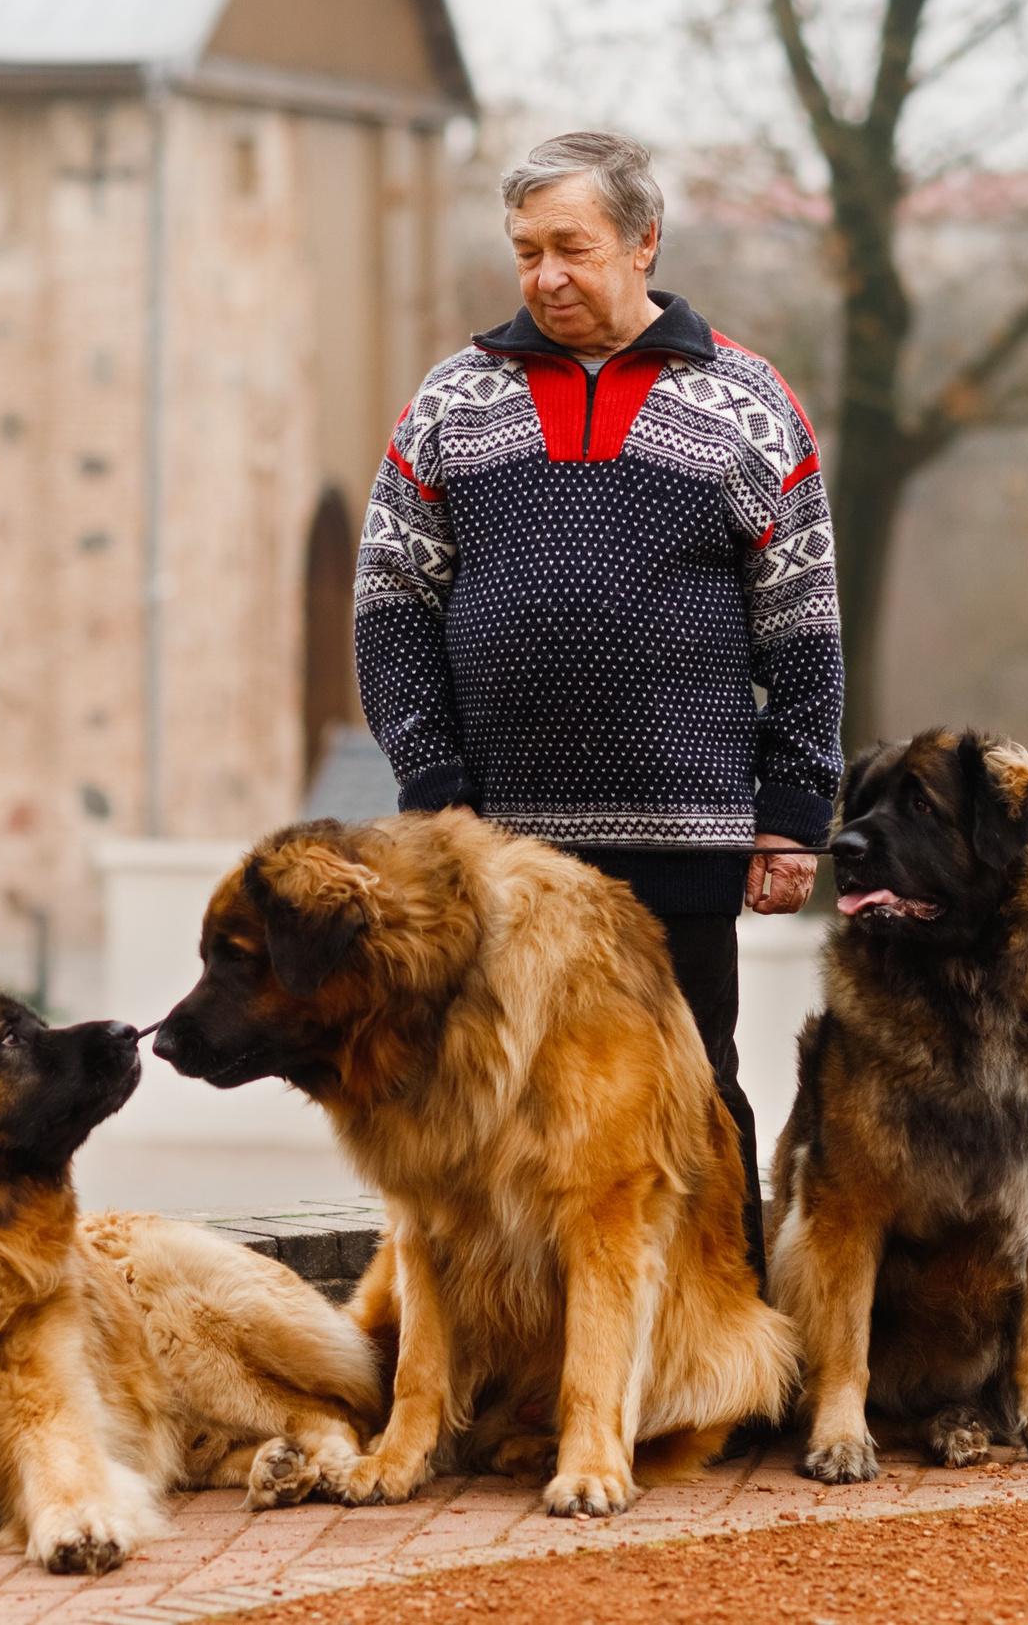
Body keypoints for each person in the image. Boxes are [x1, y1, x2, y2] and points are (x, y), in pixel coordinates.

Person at [354, 129, 844, 1286]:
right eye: (526, 252)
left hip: (683, 833)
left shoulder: (746, 399)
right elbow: (388, 600)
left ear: (641, 243)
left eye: (570, 247)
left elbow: (805, 619)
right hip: (500, 850)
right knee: (496, 1101)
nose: (546, 276)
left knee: (694, 1089)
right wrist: (433, 789)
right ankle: (516, 1357)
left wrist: (793, 809)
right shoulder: (452, 399)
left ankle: (735, 1339)